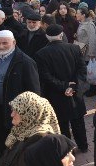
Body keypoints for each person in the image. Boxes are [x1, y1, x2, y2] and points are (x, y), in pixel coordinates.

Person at [0, 30, 41, 158]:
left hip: (17, 113)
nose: (1, 46)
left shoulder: (25, 62)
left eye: (5, 43)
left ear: (14, 42)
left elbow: (34, 92)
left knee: (17, 145)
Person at [34, 24, 89, 152]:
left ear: (47, 37)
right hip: (75, 92)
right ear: (61, 34)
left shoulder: (40, 54)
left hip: (55, 94)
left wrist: (63, 87)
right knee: (78, 122)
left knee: (61, 124)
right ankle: (83, 146)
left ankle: (68, 149)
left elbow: (45, 76)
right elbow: (82, 70)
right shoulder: (75, 48)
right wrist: (73, 86)